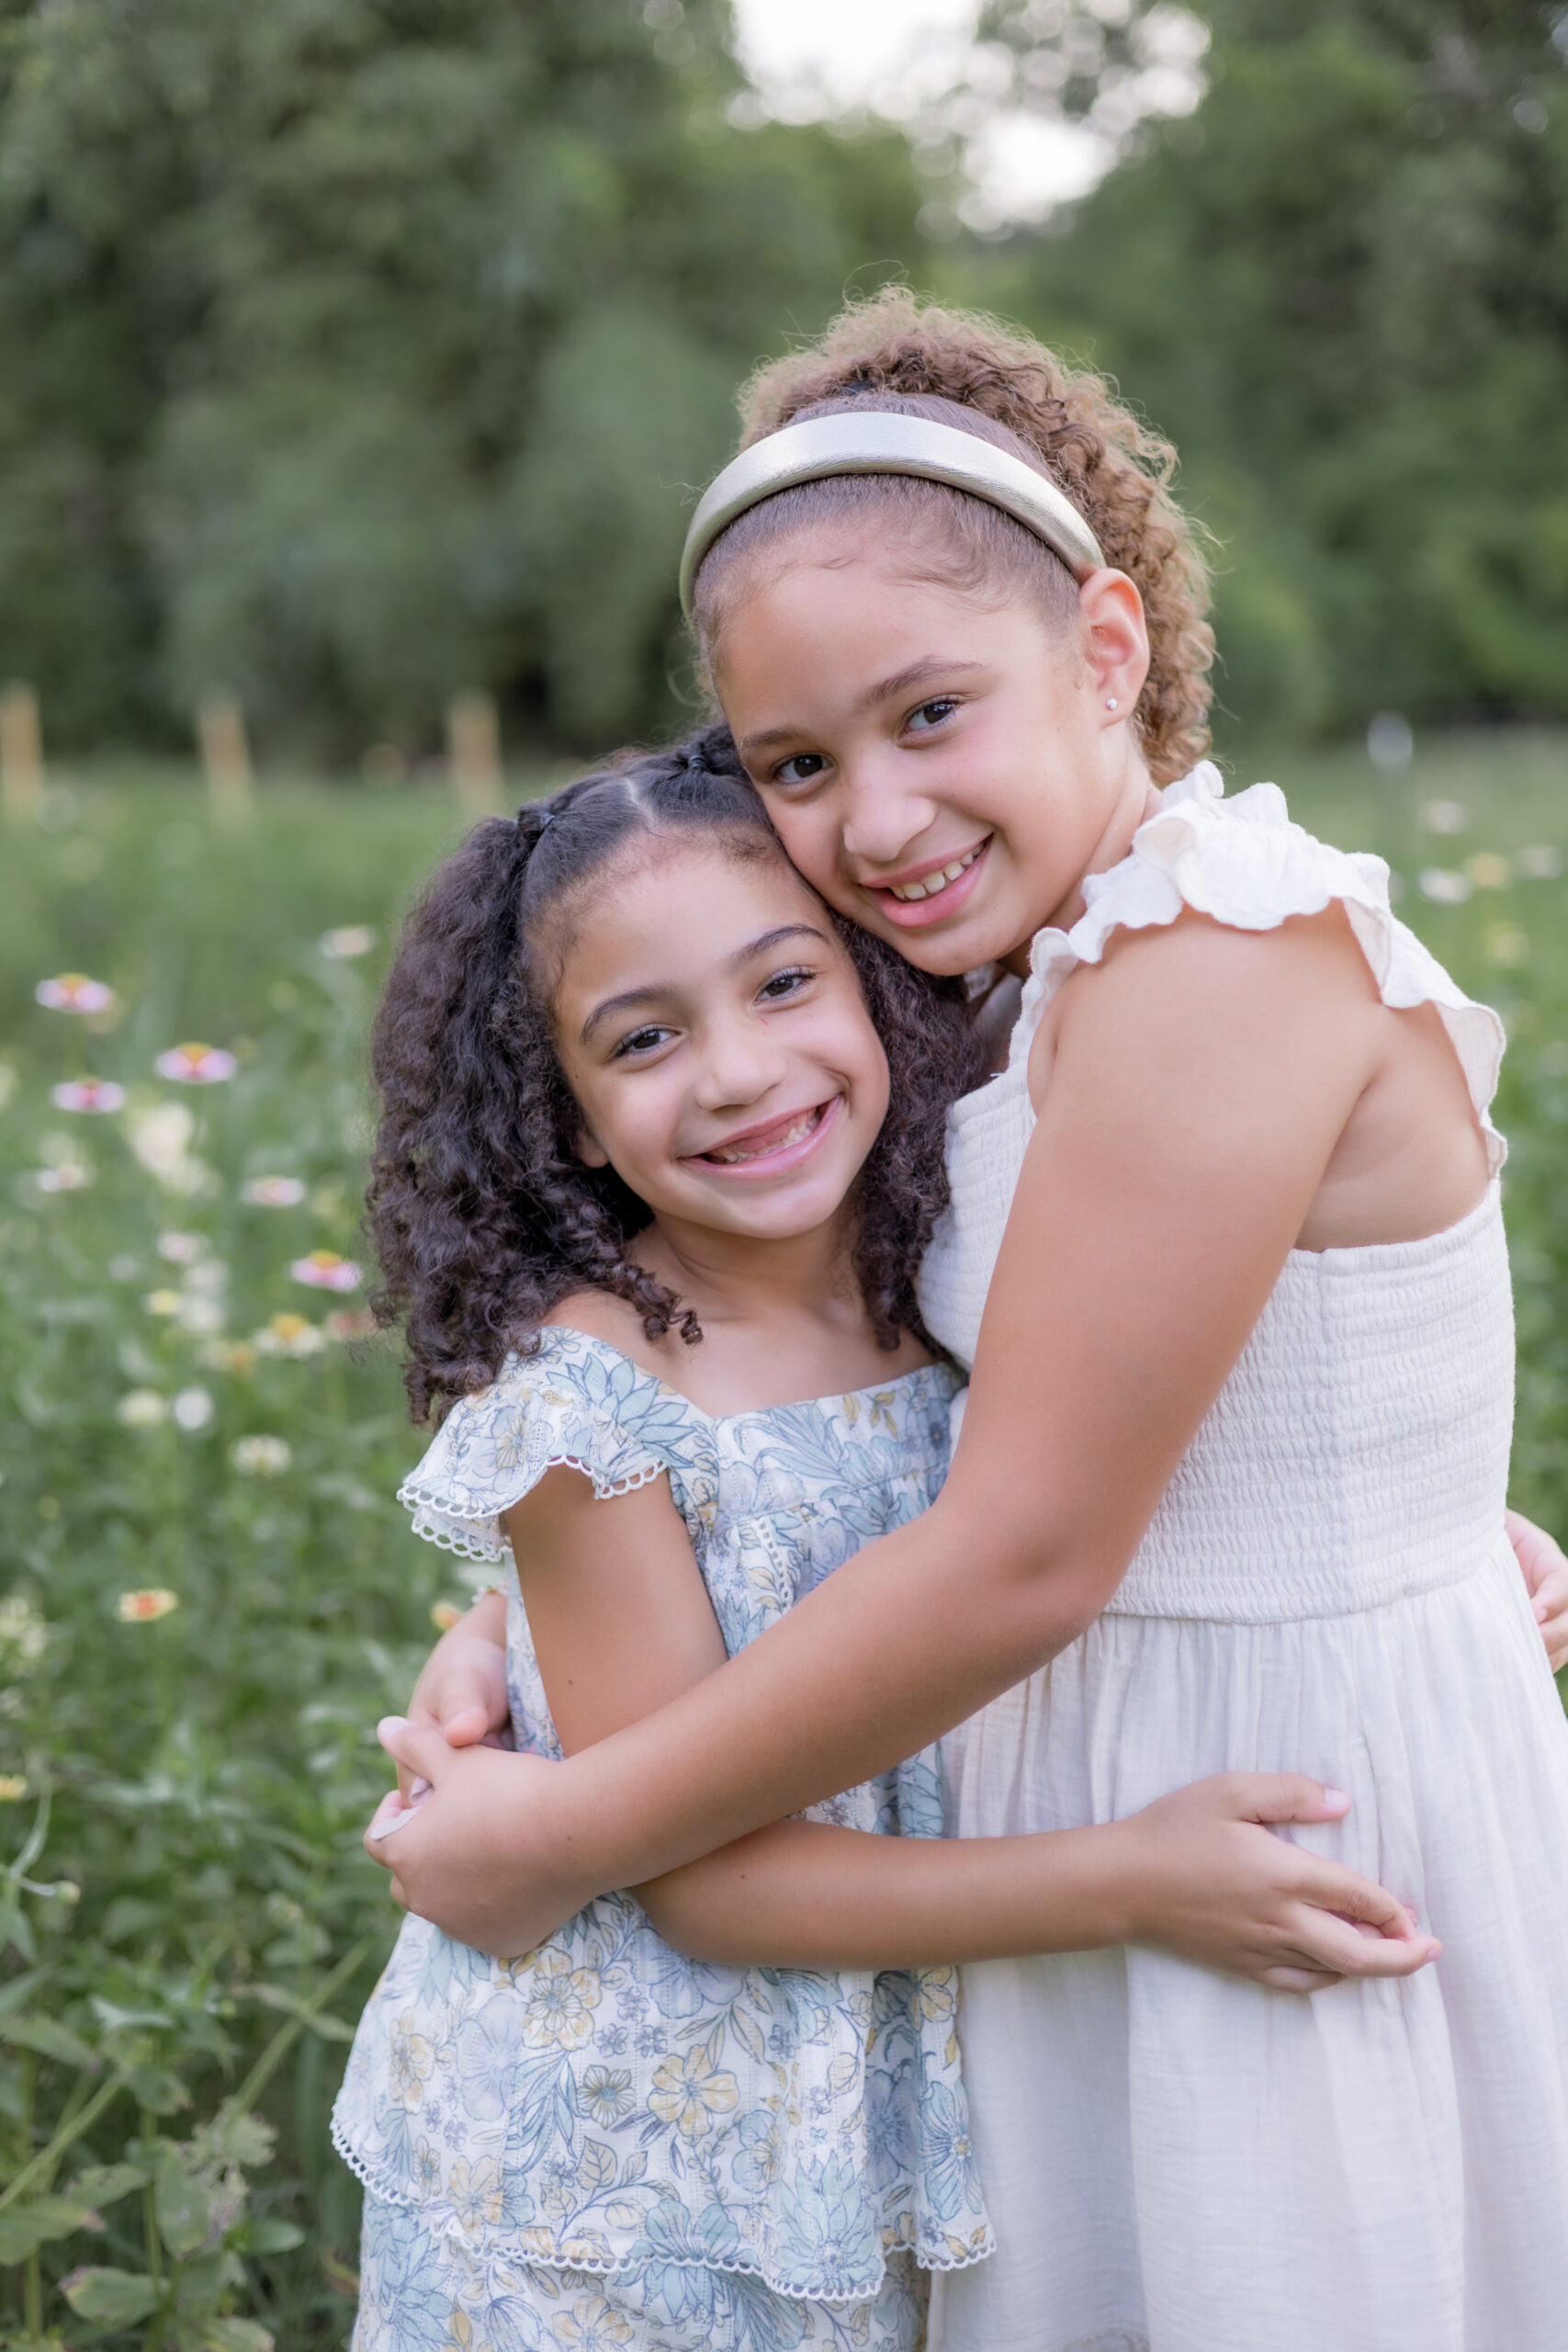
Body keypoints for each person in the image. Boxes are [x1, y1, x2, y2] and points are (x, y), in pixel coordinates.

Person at [373, 294, 1568, 2351]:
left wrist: (555, 1830)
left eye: (931, 714)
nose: (875, 816)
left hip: (1251, 1801)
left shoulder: (1213, 953)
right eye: (798, 763)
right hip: (1063, 1799)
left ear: (1103, 652)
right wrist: (531, 1617)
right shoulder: (1003, 974)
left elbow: (1024, 1540)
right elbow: (910, 1395)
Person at [336, 739, 1438, 2352]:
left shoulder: (955, 1283)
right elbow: (704, 1889)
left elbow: (1148, 1443)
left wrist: (1440, 1522)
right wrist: (1132, 1882)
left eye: (785, 985)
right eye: (641, 1040)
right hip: (624, 2187)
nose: (734, 1072)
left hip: (873, 2134)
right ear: (565, 1120)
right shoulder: (594, 1404)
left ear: (874, 987)